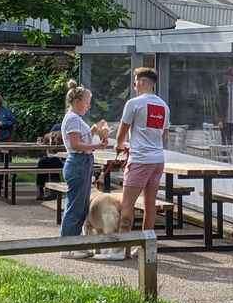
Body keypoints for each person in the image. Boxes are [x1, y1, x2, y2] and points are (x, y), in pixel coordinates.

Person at [116, 67, 169, 259]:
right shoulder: (164, 106)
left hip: (139, 159)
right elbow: (164, 134)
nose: (134, 84)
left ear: (144, 82)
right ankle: (146, 248)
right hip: (157, 160)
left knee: (127, 204)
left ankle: (121, 247)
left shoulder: (134, 103)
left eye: (136, 81)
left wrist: (120, 146)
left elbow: (121, 133)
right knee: (150, 204)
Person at [60, 80, 107, 259]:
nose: (88, 106)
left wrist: (94, 130)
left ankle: (74, 244)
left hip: (82, 162)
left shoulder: (75, 118)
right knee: (75, 207)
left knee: (79, 206)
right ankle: (67, 247)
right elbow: (76, 144)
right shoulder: (72, 118)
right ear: (78, 101)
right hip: (78, 162)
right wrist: (98, 146)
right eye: (87, 101)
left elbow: (81, 140)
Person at [35, 124, 63, 201]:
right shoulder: (54, 129)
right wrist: (43, 142)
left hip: (64, 159)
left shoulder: (68, 133)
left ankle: (54, 191)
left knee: (52, 162)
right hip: (53, 157)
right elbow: (46, 147)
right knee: (42, 162)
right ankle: (40, 190)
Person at [217, 66, 233, 145]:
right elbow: (218, 105)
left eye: (232, 75)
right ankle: (225, 156)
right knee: (224, 141)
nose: (230, 77)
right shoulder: (222, 88)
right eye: (229, 75)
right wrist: (220, 120)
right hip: (225, 119)